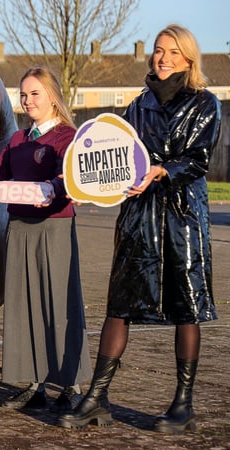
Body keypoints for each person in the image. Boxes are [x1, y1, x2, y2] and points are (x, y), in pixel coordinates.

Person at [59, 24, 221, 433]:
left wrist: (163, 170)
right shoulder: (136, 105)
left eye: (171, 52)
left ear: (188, 58)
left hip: (182, 216)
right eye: (157, 51)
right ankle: (97, 397)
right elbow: (115, 159)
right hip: (138, 215)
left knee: (187, 305)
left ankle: (183, 404)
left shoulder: (205, 103)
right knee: (120, 304)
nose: (162, 58)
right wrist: (87, 186)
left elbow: (198, 160)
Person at [0, 66, 91, 413]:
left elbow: (71, 179)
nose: (27, 100)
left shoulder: (69, 137)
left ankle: (71, 386)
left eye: (35, 94)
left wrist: (56, 188)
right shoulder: (18, 140)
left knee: (59, 305)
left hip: (54, 227)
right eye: (23, 94)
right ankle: (34, 386)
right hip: (19, 228)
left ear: (52, 97)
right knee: (25, 305)